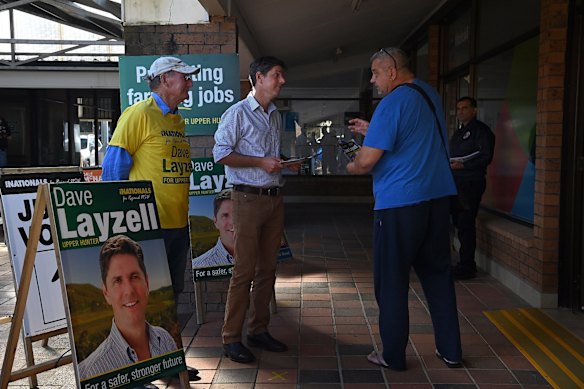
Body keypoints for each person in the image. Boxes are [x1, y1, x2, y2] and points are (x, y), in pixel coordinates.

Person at [346, 47, 462, 371]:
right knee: (439, 276)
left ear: (392, 70)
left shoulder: (392, 102)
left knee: (392, 280)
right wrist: (374, 130)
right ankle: (451, 350)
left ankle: (393, 355)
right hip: (437, 200)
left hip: (399, 204)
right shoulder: (429, 94)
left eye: (376, 73)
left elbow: (368, 161)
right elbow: (414, 135)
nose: (373, 80)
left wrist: (354, 165)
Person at [213, 56, 300, 364]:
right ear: (259, 78)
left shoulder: (274, 115)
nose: (282, 81)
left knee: (268, 269)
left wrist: (285, 161)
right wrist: (260, 162)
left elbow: (269, 155)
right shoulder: (236, 113)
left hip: (274, 198)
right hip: (247, 200)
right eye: (277, 75)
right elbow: (221, 154)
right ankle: (231, 338)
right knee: (245, 270)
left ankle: (258, 330)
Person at [102, 56, 200, 302]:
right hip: (149, 227)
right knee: (151, 295)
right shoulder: (139, 114)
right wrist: (120, 225)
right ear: (165, 79)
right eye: (185, 78)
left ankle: (163, 341)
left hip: (177, 223)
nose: (190, 84)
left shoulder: (176, 118)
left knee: (172, 291)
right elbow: (113, 170)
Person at [78, 235, 178, 380]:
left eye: (134, 277)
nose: (129, 290)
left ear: (147, 283)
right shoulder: (91, 371)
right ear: (106, 293)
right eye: (118, 280)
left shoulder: (165, 339)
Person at [449, 97, 495, 280]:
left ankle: (467, 266)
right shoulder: (459, 132)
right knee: (459, 224)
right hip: (456, 183)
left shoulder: (481, 131)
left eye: (465, 108)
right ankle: (462, 263)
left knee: (466, 224)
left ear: (474, 110)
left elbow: (486, 156)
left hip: (470, 183)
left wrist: (464, 166)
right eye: (458, 108)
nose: (461, 111)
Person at [192, 189, 235, 268]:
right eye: (225, 215)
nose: (233, 222)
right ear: (215, 222)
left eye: (238, 214)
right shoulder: (198, 265)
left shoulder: (263, 259)